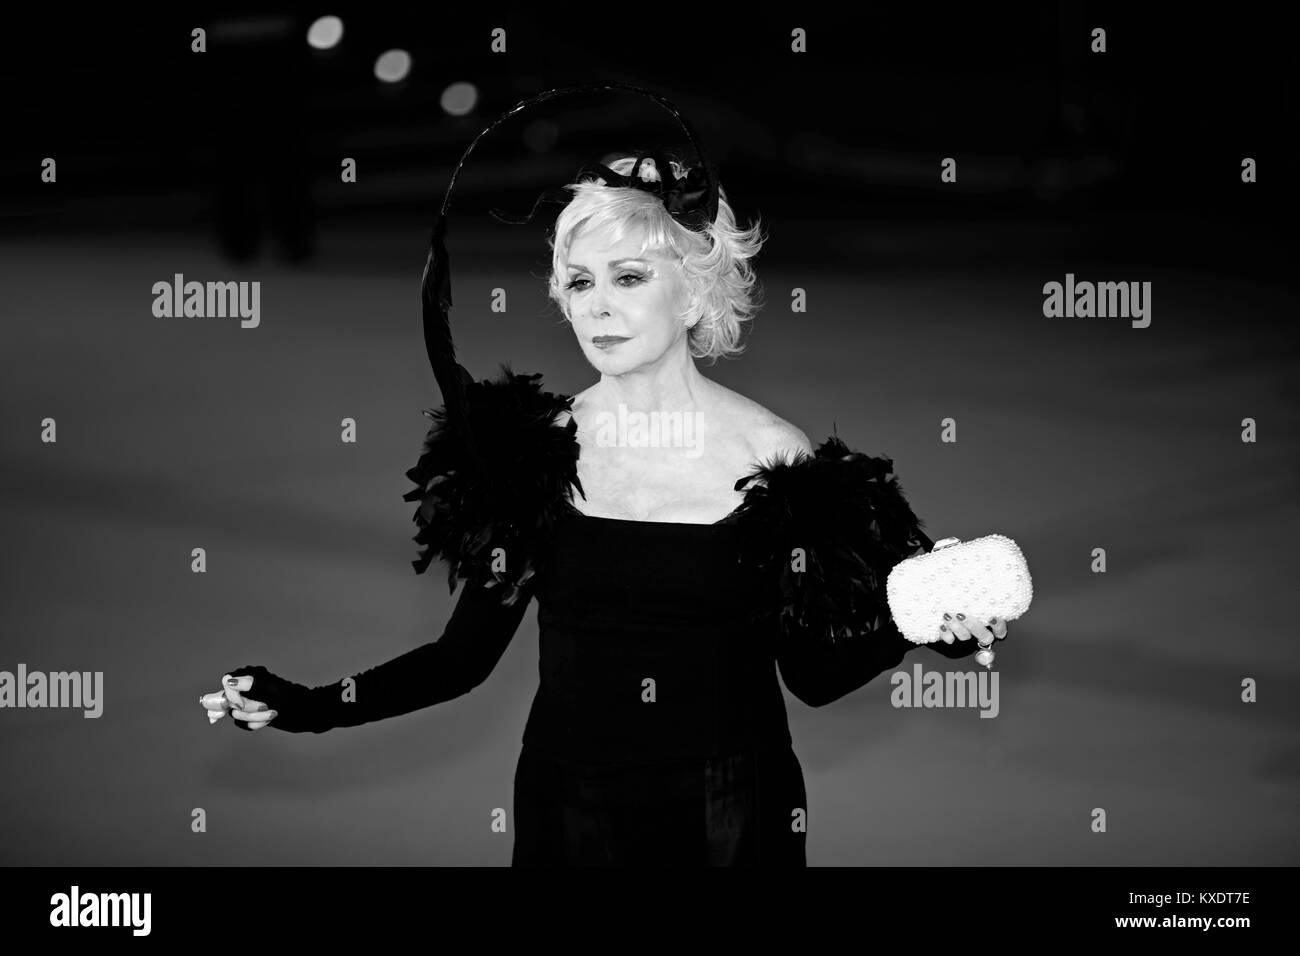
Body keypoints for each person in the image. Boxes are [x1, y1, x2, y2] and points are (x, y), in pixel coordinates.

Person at [206, 84, 1010, 866]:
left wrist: (919, 619)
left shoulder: (774, 456)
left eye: (628, 278)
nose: (597, 307)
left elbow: (811, 676)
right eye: (580, 282)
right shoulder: (536, 452)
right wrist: (308, 706)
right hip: (567, 810)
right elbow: (461, 661)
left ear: (694, 292)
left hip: (732, 811)